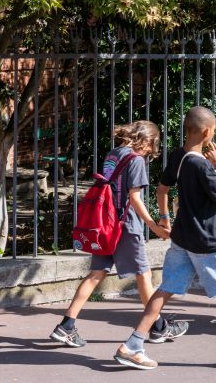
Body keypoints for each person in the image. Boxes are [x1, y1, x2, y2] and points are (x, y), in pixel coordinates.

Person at [113, 107, 216, 370]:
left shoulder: (178, 157)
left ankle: (133, 344)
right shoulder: (203, 165)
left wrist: (163, 217)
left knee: (165, 288)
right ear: (207, 132)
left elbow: (162, 189)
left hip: (182, 238)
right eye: (213, 130)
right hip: (207, 240)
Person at [50, 121, 187, 348]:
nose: (151, 152)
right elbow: (134, 198)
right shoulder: (136, 160)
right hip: (125, 226)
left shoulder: (112, 154)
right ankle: (159, 327)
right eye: (152, 147)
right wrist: (153, 225)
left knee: (96, 274)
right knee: (144, 274)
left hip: (105, 224)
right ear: (146, 142)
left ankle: (66, 326)